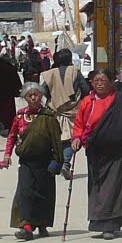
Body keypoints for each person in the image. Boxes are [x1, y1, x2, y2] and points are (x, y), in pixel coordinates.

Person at [71, 68, 122, 240]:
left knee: (114, 187)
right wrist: (77, 139)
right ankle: (99, 222)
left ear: (111, 82)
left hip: (117, 151)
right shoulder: (87, 101)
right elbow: (79, 124)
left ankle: (110, 225)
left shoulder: (120, 99)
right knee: (97, 186)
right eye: (95, 81)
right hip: (95, 150)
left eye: (103, 81)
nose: (99, 84)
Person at [4, 82, 62, 241]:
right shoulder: (20, 116)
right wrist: (7, 155)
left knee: (44, 194)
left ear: (41, 96)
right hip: (26, 162)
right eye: (30, 95)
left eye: (37, 94)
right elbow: (12, 136)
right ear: (25, 98)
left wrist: (57, 162)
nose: (34, 97)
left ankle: (42, 224)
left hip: (45, 162)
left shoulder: (48, 117)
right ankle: (27, 226)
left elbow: (56, 142)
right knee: (26, 193)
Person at [41, 47, 89, 179]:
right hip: (73, 110)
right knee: (72, 138)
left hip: (55, 110)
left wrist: (55, 97)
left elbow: (43, 90)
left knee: (55, 138)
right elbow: (85, 89)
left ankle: (55, 164)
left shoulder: (50, 73)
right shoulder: (75, 72)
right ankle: (65, 164)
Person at [0, 53, 22, 133]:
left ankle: (1, 126)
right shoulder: (11, 69)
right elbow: (17, 82)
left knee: (0, 112)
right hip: (9, 95)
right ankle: (10, 128)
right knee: (10, 112)